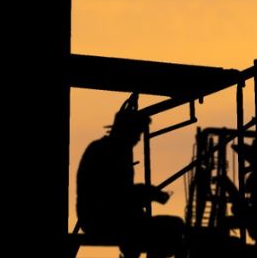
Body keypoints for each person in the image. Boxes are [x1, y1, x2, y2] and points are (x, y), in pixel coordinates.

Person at [75, 103, 184, 258]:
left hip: (113, 217)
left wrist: (144, 194)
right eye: (136, 134)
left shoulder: (118, 151)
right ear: (126, 131)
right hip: (100, 219)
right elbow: (115, 195)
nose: (138, 139)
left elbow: (123, 196)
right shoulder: (104, 151)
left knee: (173, 227)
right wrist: (147, 193)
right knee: (171, 228)